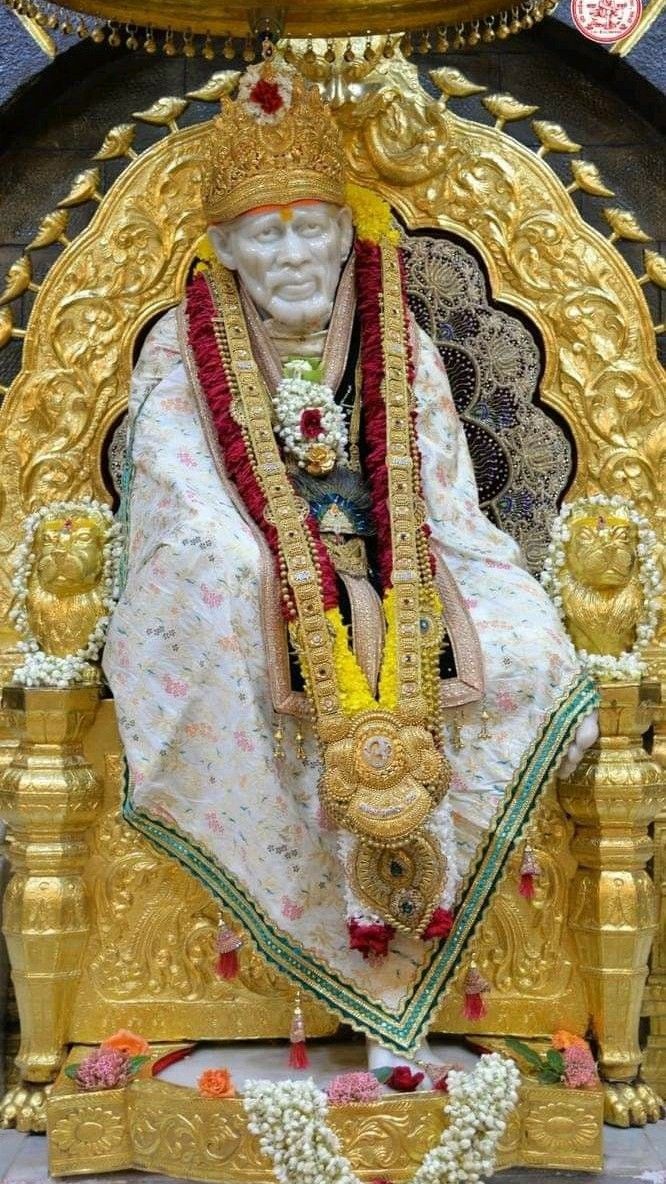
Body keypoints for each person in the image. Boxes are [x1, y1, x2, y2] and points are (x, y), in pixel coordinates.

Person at [103, 57, 599, 1067]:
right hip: (251, 585)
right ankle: (347, 966)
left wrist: (394, 577)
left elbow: (445, 490)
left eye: (309, 229)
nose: (290, 255)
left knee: (524, 653)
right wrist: (286, 577)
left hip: (406, 563)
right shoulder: (175, 347)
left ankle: (415, 962)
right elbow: (183, 505)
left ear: (344, 235)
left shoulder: (393, 335)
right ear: (228, 249)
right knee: (227, 622)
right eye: (266, 234)